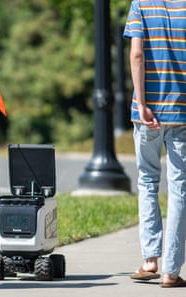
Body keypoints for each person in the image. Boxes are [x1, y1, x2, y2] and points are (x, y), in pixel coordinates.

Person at [124, 0, 186, 288]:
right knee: (179, 187)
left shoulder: (141, 5)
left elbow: (137, 55)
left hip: (147, 112)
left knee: (148, 180)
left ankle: (150, 260)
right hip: (181, 112)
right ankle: (171, 272)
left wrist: (143, 103)